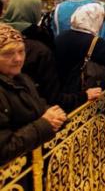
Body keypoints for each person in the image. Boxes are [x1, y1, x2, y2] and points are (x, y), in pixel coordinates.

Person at [0, 24, 66, 165]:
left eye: (21, 51)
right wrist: (45, 124)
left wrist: (54, 116)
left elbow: (38, 106)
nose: (18, 59)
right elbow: (4, 149)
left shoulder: (21, 78)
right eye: (8, 53)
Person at [55, 4, 105, 94]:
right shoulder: (96, 43)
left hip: (61, 92)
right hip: (87, 93)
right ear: (96, 19)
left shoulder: (61, 37)